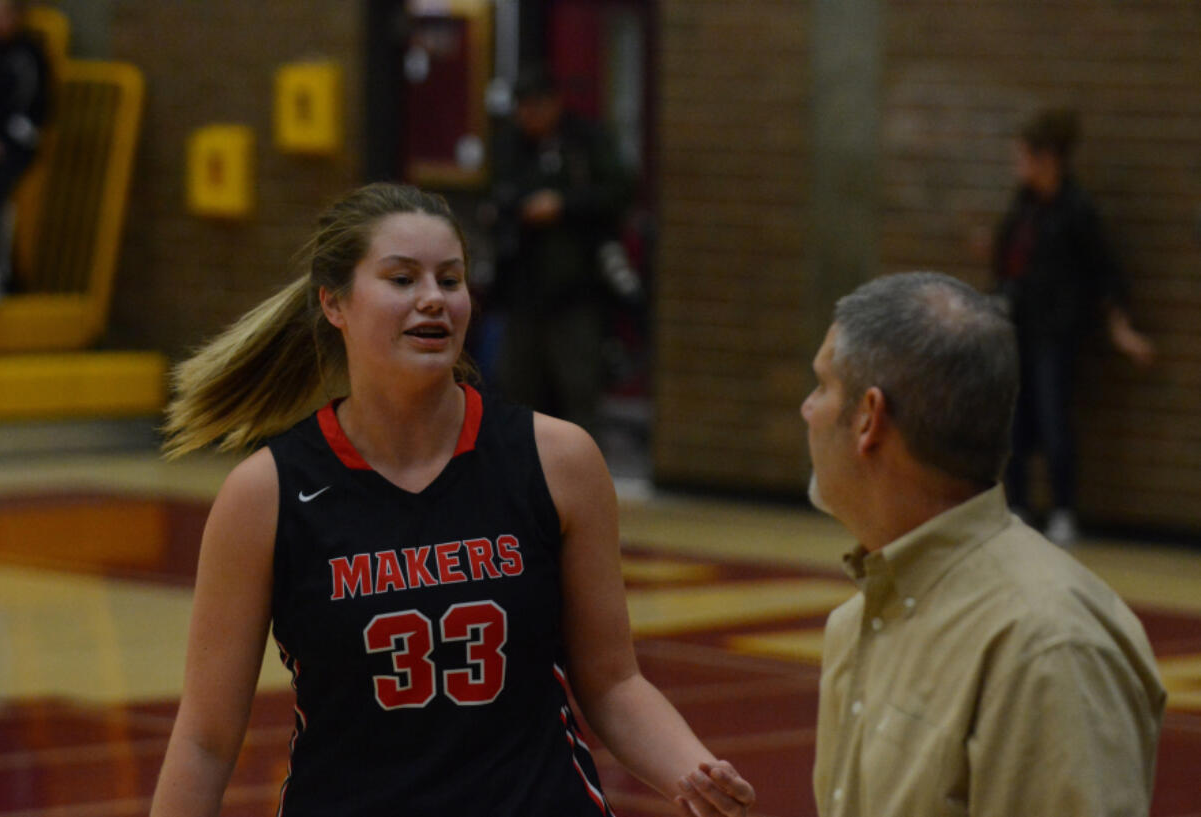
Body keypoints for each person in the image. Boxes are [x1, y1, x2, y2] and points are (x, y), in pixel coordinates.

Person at [150, 183, 753, 817]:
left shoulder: (557, 461)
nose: (434, 299)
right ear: (335, 303)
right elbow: (205, 740)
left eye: (451, 278)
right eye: (402, 279)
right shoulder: (266, 493)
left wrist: (696, 772)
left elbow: (615, 684)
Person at [802, 272, 1165, 817]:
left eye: (823, 385)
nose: (807, 409)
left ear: (867, 418)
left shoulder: (1046, 643)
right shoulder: (856, 623)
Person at [993, 107, 1154, 545]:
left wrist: (1122, 329)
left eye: (1024, 156)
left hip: (1056, 336)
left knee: (1053, 419)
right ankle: (1019, 507)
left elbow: (1106, 273)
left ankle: (1063, 511)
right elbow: (1008, 261)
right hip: (1018, 329)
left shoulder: (1076, 211)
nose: (1018, 166)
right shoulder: (1023, 205)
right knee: (1015, 422)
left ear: (1048, 159)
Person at [486, 65, 631, 437]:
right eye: (521, 109)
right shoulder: (510, 145)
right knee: (515, 383)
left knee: (579, 385)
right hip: (522, 288)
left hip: (575, 288)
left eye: (534, 108)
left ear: (553, 104)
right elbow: (496, 196)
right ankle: (520, 469)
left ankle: (582, 472)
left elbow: (618, 192)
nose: (527, 118)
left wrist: (563, 204)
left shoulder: (586, 141)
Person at [0, 0, 50, 305]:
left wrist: (2, 145)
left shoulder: (30, 56)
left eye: (2, 14)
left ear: (18, 16)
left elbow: (33, 110)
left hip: (16, 148)